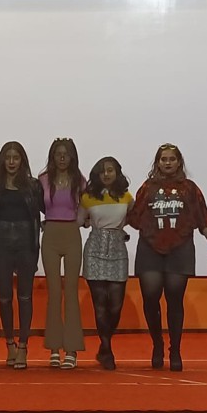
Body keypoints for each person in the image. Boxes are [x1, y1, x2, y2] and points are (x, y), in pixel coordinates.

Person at [126, 143, 207, 372]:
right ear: (157, 163)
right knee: (150, 297)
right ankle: (157, 344)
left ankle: (175, 350)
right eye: (163, 159)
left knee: (174, 299)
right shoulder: (147, 188)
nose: (167, 163)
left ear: (179, 162)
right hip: (150, 248)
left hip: (180, 248)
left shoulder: (190, 189)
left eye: (172, 159)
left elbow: (203, 219)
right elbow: (134, 218)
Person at [0, 141, 44, 369]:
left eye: (16, 158)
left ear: (22, 161)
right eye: (7, 158)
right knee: (4, 297)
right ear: (2, 160)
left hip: (26, 244)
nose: (11, 162)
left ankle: (23, 346)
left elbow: (48, 209)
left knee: (25, 297)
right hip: (2, 245)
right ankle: (9, 343)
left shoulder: (33, 186)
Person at [77, 157, 133, 371]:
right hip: (95, 249)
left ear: (117, 173)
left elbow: (135, 217)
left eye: (110, 170)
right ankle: (107, 349)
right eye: (102, 171)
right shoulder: (88, 197)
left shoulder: (126, 197)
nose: (106, 174)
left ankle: (104, 344)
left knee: (116, 305)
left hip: (118, 249)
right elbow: (79, 221)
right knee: (100, 304)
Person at [39, 138, 86, 369]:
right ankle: (54, 348)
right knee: (55, 291)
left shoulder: (80, 181)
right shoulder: (43, 179)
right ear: (52, 156)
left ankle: (72, 349)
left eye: (66, 154)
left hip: (71, 233)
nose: (62, 158)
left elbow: (86, 206)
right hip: (50, 234)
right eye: (58, 154)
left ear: (72, 157)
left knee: (71, 290)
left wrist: (79, 222)